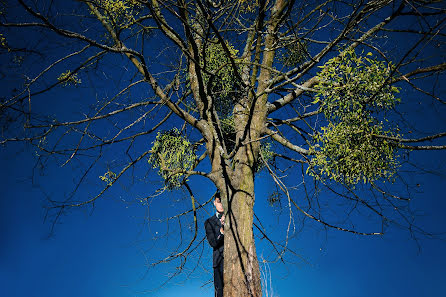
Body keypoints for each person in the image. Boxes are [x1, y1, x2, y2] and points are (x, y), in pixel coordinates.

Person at [205, 193, 225, 297]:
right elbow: (212, 242)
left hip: (235, 260)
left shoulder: (233, 218)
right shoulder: (209, 222)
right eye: (218, 201)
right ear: (214, 203)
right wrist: (222, 231)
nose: (221, 204)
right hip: (219, 261)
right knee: (220, 293)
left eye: (223, 201)